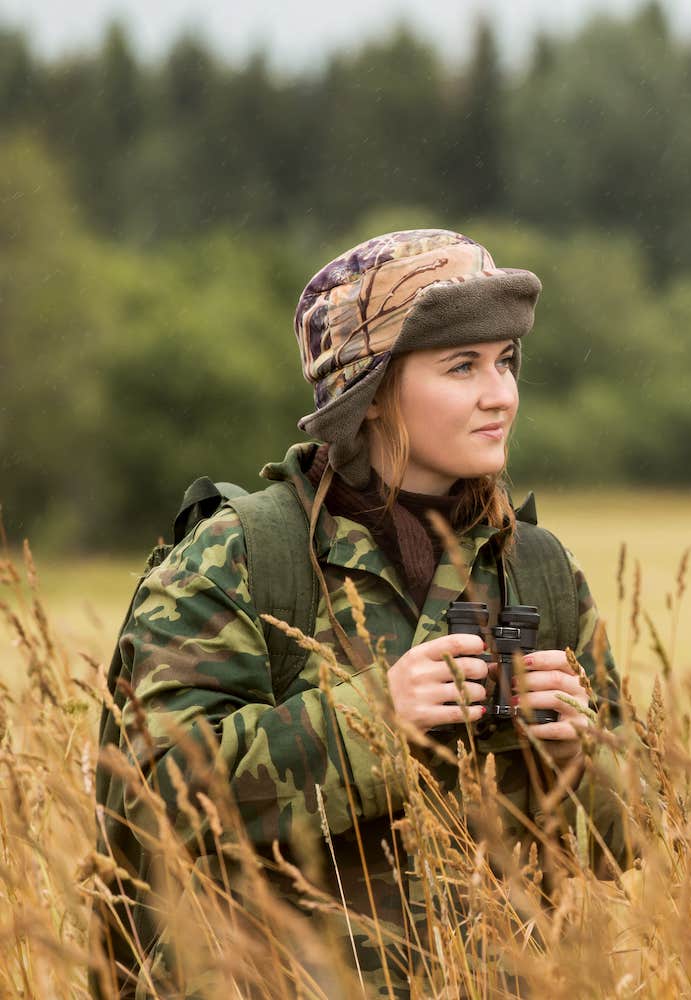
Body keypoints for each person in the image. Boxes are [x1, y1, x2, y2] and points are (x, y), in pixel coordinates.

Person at [100, 229, 626, 998]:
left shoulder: (537, 571)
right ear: (371, 392)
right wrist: (374, 719)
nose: (501, 394)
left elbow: (634, 838)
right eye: (462, 366)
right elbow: (150, 797)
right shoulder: (244, 556)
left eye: (506, 362)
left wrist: (578, 761)